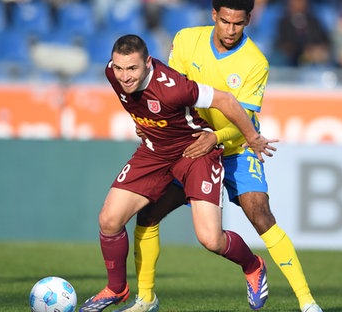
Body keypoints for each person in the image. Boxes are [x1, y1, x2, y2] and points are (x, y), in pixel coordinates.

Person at [118, 0, 323, 311]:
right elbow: (172, 96)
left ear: (248, 21)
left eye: (238, 23)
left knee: (261, 215)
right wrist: (155, 123)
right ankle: (145, 299)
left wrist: (215, 137)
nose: (230, 29)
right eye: (225, 21)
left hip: (234, 147)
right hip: (190, 147)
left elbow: (244, 120)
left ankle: (307, 303)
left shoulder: (255, 62)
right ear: (214, 15)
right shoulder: (186, 40)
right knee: (148, 214)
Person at [78, 34, 277, 312]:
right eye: (120, 68)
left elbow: (226, 100)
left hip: (195, 153)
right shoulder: (112, 74)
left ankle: (253, 265)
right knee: (109, 220)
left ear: (147, 63)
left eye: (132, 68)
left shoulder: (174, 87)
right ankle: (117, 288)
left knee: (210, 239)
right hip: (154, 152)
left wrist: (252, 137)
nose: (125, 76)